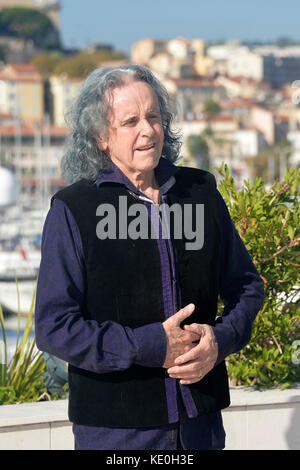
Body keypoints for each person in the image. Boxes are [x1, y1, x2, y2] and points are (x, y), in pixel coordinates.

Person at [34, 65, 265, 450]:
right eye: (130, 121)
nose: (147, 130)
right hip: (116, 436)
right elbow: (54, 326)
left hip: (201, 429)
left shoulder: (201, 192)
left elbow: (247, 287)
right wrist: (150, 345)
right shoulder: (72, 209)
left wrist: (219, 340)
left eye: (153, 117)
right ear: (101, 137)